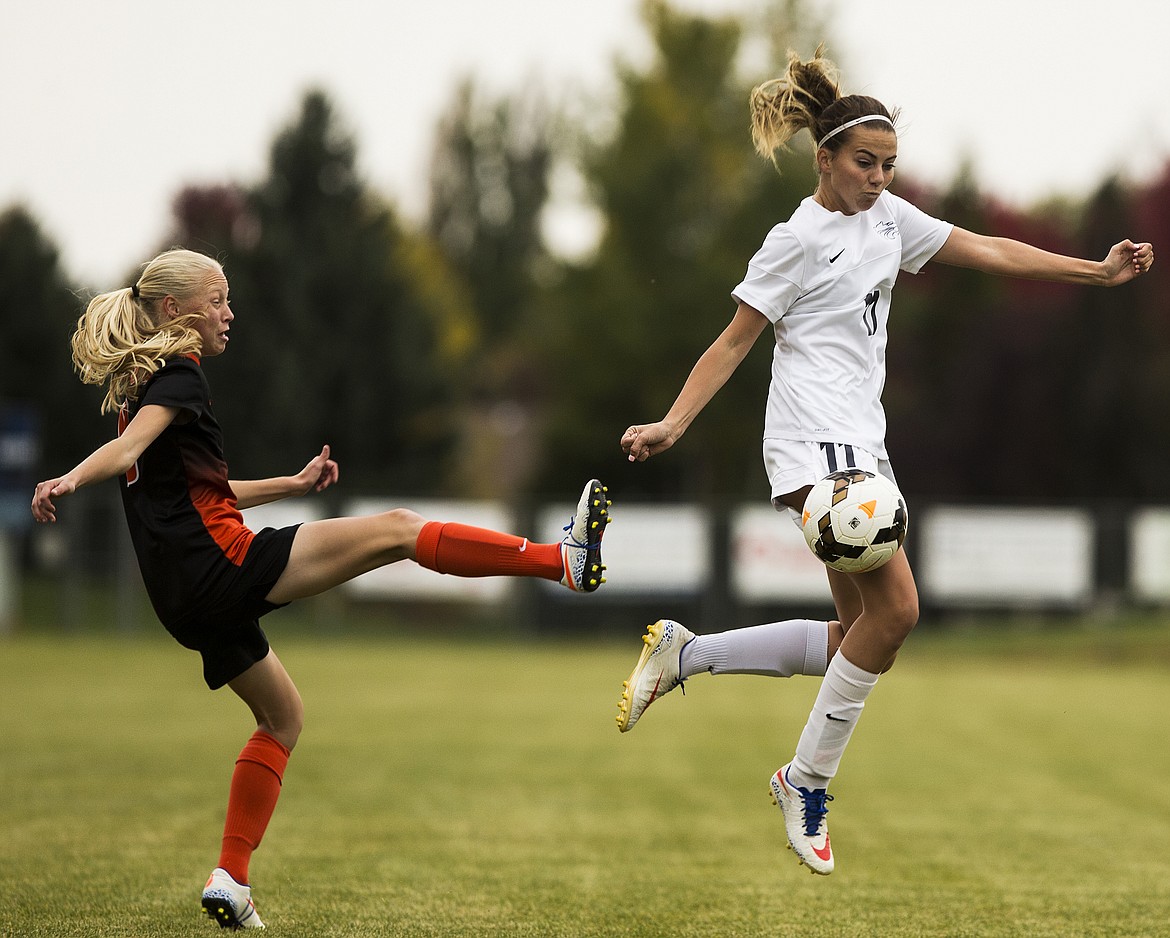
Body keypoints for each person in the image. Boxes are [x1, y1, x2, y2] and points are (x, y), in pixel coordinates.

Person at [614, 46, 1153, 876]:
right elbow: (731, 343)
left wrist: (1096, 271)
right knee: (898, 613)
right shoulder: (794, 240)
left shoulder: (891, 222)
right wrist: (673, 424)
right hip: (813, 448)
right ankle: (804, 780)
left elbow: (991, 250)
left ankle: (685, 655)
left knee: (857, 639)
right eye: (865, 163)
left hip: (862, 448)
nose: (878, 178)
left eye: (890, 165)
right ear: (824, 157)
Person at [30, 247, 612, 929]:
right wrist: (68, 479)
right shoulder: (180, 376)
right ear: (172, 311)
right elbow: (128, 460)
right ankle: (561, 562)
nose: (229, 312)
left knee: (282, 719)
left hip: (182, 601)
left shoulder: (139, 398)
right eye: (216, 299)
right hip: (224, 570)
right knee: (398, 529)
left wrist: (293, 486)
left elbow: (203, 492)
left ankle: (231, 878)